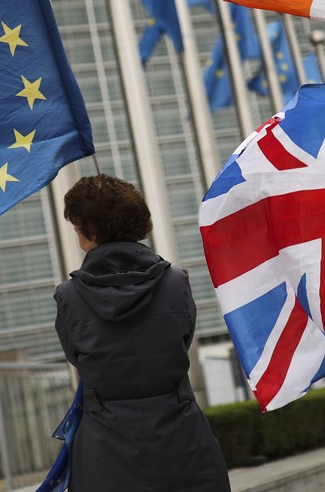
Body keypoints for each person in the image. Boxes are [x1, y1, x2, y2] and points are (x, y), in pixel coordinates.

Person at [54, 174, 231, 491]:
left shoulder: (69, 296)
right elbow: (182, 340)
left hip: (104, 455)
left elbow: (76, 356)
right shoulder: (177, 281)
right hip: (184, 444)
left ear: (90, 232)